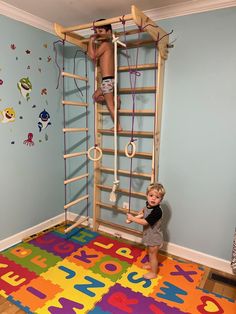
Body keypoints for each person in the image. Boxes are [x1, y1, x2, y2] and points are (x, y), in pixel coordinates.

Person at [87, 19, 122, 131]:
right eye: (96, 31)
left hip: (107, 80)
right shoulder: (108, 45)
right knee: (95, 97)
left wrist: (91, 40)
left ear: (109, 32)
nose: (98, 34)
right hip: (108, 80)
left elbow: (92, 56)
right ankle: (114, 99)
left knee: (110, 105)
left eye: (100, 31)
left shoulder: (106, 44)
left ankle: (118, 126)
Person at [126, 182, 166, 279]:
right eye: (151, 195)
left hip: (154, 237)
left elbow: (145, 222)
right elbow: (145, 209)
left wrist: (132, 218)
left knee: (153, 255)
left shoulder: (157, 211)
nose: (153, 198)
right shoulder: (149, 205)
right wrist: (141, 212)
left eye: (157, 197)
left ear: (161, 199)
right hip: (149, 235)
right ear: (147, 195)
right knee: (149, 251)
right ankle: (151, 264)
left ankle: (153, 273)